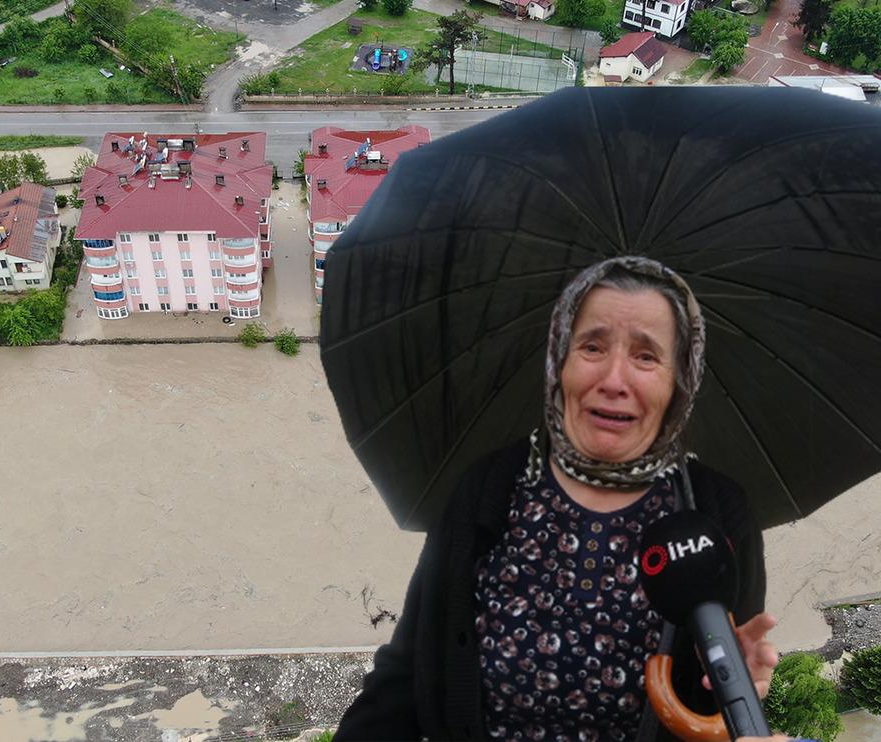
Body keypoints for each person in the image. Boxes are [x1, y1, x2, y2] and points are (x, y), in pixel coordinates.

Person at [334, 256, 785, 742]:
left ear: (680, 380)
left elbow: (717, 705)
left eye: (646, 356)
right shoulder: (487, 488)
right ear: (558, 359)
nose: (614, 380)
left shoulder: (718, 512)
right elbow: (407, 674)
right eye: (591, 346)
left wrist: (725, 693)